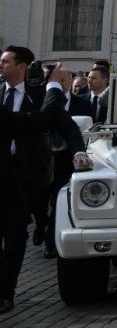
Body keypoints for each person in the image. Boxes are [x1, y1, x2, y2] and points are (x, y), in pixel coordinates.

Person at [0, 58, 74, 314]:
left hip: (25, 177)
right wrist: (53, 86)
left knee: (17, 232)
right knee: (15, 233)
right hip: (6, 183)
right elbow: (41, 120)